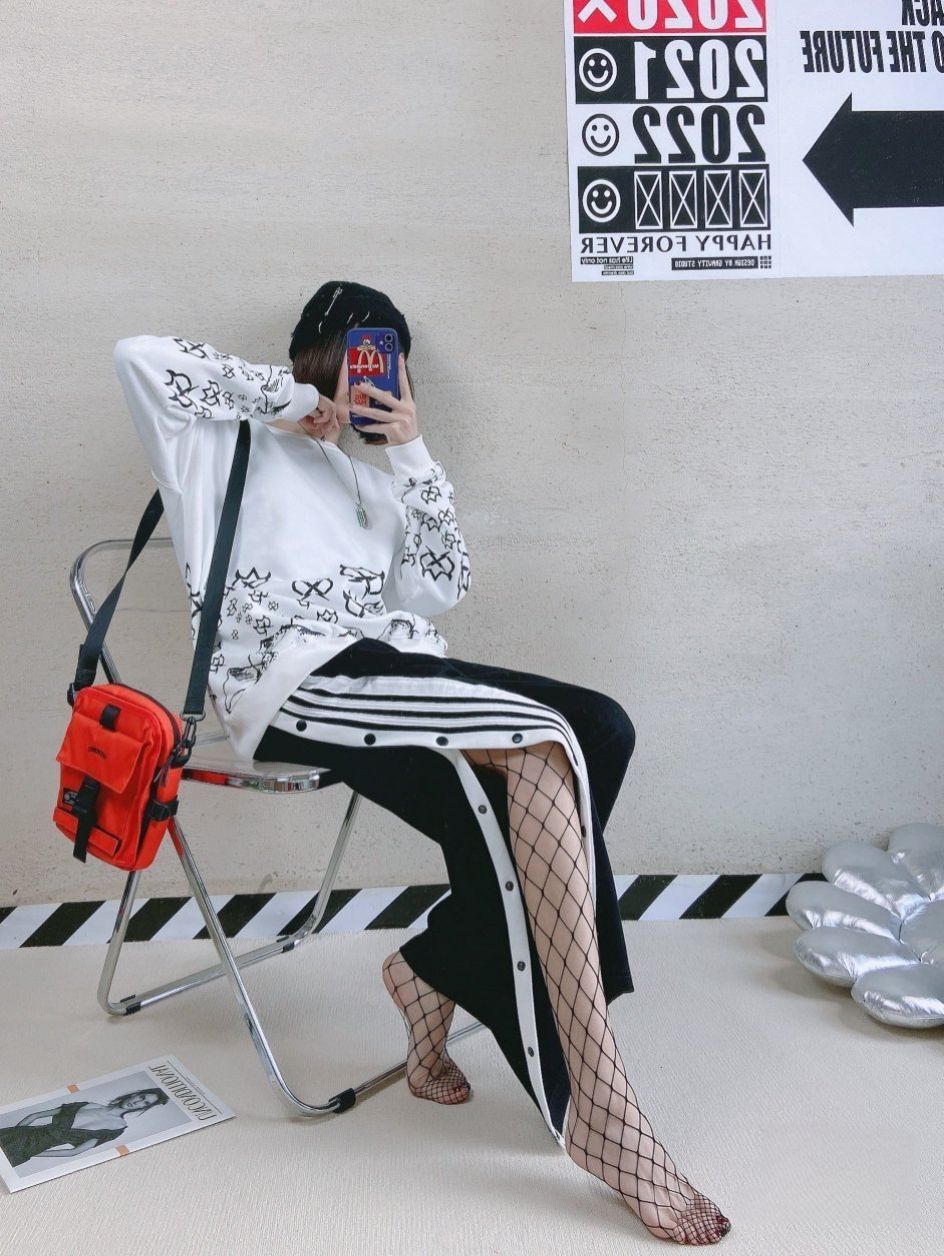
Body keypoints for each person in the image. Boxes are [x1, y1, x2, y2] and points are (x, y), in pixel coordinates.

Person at [113, 282, 731, 1244]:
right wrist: (291, 401)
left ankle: (434, 968)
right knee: (538, 745)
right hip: (297, 684)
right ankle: (603, 1109)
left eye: (391, 362)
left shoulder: (368, 482)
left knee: (599, 729)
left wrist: (407, 450)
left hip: (397, 673)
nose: (375, 375)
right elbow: (138, 356)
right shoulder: (218, 440)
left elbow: (439, 588)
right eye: (362, 353)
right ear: (316, 351)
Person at [0, 1089, 168, 1167]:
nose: (138, 1102)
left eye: (145, 1103)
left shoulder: (117, 1128)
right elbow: (35, 1115)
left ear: (143, 1108)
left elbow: (74, 1152)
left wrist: (31, 1152)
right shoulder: (89, 1105)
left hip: (26, 1152)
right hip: (13, 1135)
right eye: (142, 1097)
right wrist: (15, 1133)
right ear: (135, 1094)